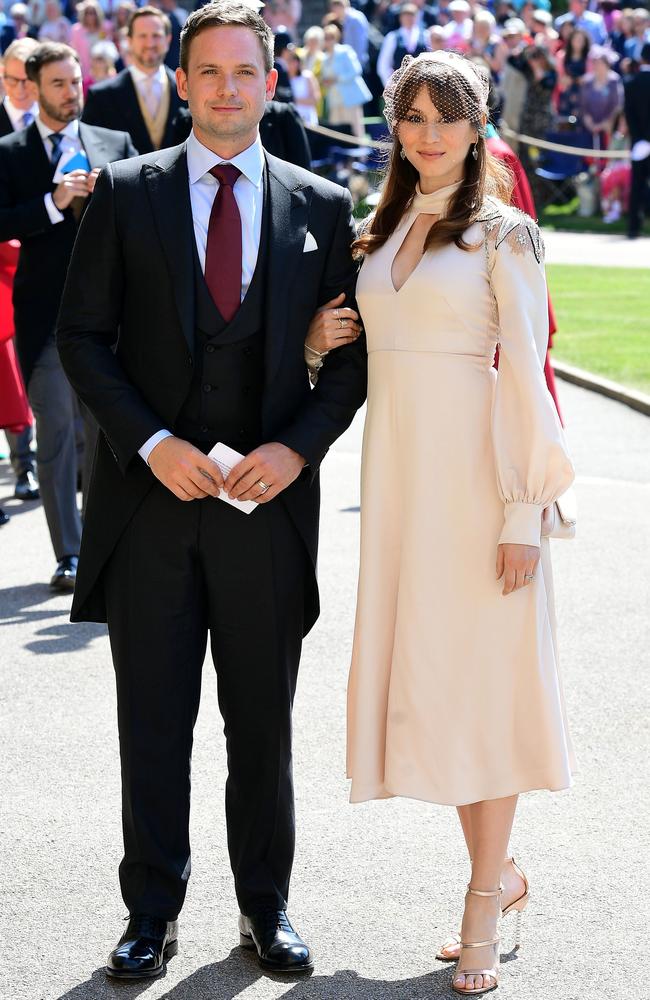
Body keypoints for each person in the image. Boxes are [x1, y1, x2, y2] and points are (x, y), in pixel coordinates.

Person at [56, 0, 366, 981]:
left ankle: (264, 906)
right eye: (210, 72)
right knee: (151, 723)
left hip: (264, 519)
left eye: (246, 72)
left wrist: (296, 449)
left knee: (261, 728)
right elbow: (82, 340)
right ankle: (150, 910)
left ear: (271, 83)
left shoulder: (319, 206)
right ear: (179, 81)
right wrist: (147, 442)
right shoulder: (121, 191)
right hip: (148, 513)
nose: (228, 89)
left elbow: (352, 364)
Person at [306, 50, 574, 995]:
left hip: (479, 490)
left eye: (446, 117)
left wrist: (522, 515)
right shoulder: (375, 232)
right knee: (443, 691)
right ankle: (500, 879)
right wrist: (313, 340)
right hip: (399, 495)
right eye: (412, 117)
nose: (428, 133)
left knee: (487, 690)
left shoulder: (506, 236)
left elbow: (529, 381)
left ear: (477, 127)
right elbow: (353, 349)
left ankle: (478, 907)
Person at [0, 41, 136, 589]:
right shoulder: (9, 152)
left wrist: (114, 200)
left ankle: (109, 545)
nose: (71, 93)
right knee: (56, 435)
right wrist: (52, 204)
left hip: (109, 322)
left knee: (104, 436)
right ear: (33, 88)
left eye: (76, 82)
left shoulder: (114, 143)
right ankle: (70, 554)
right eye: (59, 84)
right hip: (47, 322)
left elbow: (147, 222)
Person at [0, 37, 40, 501]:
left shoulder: (64, 124)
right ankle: (21, 462)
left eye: (30, 80)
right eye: (15, 81)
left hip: (40, 266)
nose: (24, 90)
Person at [81, 6, 185, 154]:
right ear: (129, 41)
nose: (150, 43)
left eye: (156, 35)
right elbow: (90, 150)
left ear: (168, 39)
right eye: (142, 36)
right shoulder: (101, 97)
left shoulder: (188, 92)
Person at [321, 22, 371, 138]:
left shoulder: (345, 51)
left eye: (331, 37)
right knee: (337, 131)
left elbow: (356, 70)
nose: (329, 40)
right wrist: (326, 81)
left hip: (349, 97)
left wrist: (337, 79)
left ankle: (360, 156)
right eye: (326, 38)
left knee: (355, 129)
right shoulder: (324, 57)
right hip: (334, 99)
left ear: (336, 37)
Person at [624, 42, 650, 239]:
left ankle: (633, 227)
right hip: (643, 141)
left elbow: (629, 115)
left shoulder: (632, 82)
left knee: (637, 186)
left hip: (639, 143)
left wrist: (639, 138)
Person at [377, 2, 430, 88]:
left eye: (411, 15)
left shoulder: (426, 35)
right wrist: (390, 85)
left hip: (422, 85)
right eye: (406, 15)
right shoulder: (392, 37)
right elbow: (383, 64)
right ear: (400, 18)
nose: (409, 18)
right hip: (399, 85)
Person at [286, 47, 320, 127]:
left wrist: (294, 100)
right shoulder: (283, 79)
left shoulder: (307, 76)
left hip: (308, 121)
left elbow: (315, 99)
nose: (290, 64)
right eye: (288, 61)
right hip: (290, 122)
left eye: (293, 60)